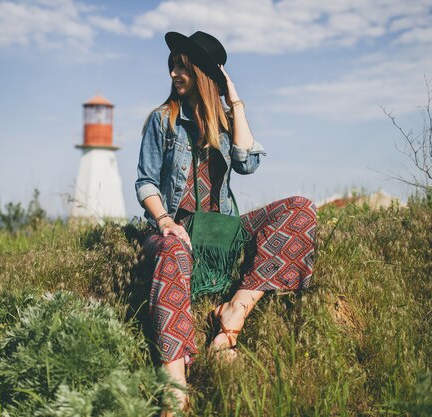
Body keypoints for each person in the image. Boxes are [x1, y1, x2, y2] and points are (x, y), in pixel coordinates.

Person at [135, 31, 317, 414]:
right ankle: (175, 391)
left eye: (183, 67)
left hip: (223, 232)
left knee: (300, 208)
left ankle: (234, 312)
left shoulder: (224, 120)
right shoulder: (162, 120)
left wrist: (235, 103)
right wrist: (166, 221)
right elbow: (145, 181)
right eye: (173, 66)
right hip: (177, 229)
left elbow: (248, 164)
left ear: (202, 73)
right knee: (171, 248)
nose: (174, 74)